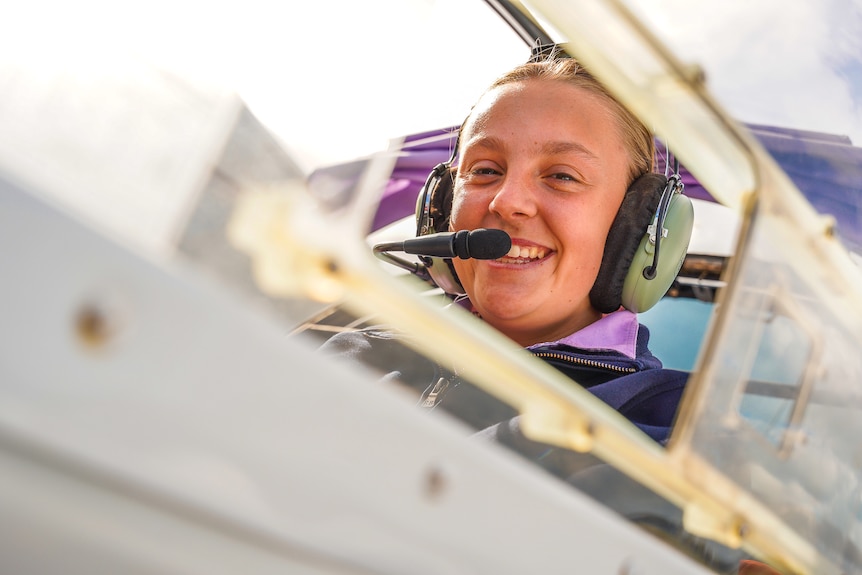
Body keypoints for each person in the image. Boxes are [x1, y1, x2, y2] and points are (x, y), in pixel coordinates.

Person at [320, 53, 780, 574]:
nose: (507, 202)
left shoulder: (680, 439)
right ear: (442, 204)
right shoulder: (352, 348)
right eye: (485, 170)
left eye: (562, 176)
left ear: (641, 228)